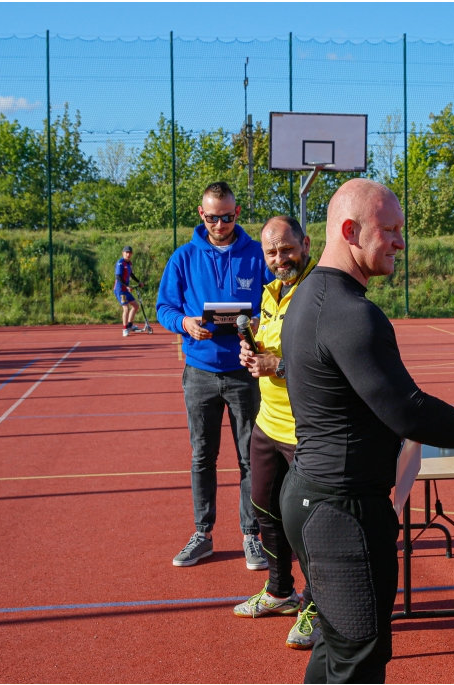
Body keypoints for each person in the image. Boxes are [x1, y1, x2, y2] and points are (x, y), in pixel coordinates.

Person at [281, 178, 454, 683]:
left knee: (337, 651)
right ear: (351, 230)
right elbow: (410, 413)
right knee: (359, 659)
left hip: (316, 499)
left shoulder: (312, 294)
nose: (401, 242)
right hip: (343, 512)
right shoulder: (352, 314)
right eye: (391, 230)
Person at [156, 181, 273, 571]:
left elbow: (277, 303)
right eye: (212, 217)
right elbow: (164, 307)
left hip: (244, 372)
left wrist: (259, 320)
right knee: (202, 456)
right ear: (201, 215)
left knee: (249, 458)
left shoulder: (257, 255)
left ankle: (251, 536)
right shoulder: (184, 257)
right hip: (200, 372)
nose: (220, 223)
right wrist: (185, 322)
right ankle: (202, 534)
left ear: (236, 214)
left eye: (227, 216)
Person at [234, 215, 320, 650]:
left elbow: (328, 360)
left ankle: (318, 605)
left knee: (306, 523)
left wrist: (279, 365)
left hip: (307, 431)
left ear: (305, 244)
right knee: (264, 507)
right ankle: (280, 591)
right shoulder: (271, 293)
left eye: (287, 249)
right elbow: (277, 347)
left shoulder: (319, 292)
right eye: (271, 252)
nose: (280, 258)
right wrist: (257, 351)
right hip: (268, 422)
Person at [115, 245, 144, 337]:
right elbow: (118, 277)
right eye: (126, 252)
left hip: (126, 290)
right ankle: (124, 329)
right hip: (120, 290)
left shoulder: (129, 263)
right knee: (126, 308)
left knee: (135, 306)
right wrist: (127, 286)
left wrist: (138, 281)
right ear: (123, 253)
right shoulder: (120, 263)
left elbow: (131, 274)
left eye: (130, 253)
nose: (128, 254)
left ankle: (130, 326)